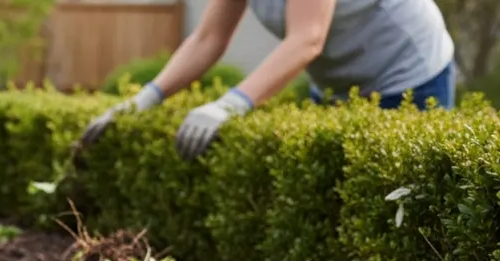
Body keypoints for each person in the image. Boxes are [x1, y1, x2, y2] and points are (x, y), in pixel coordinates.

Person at [74, 0, 457, 160]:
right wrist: (144, 100)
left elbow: (308, 39)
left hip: (408, 76)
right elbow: (208, 39)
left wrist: (230, 104)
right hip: (337, 83)